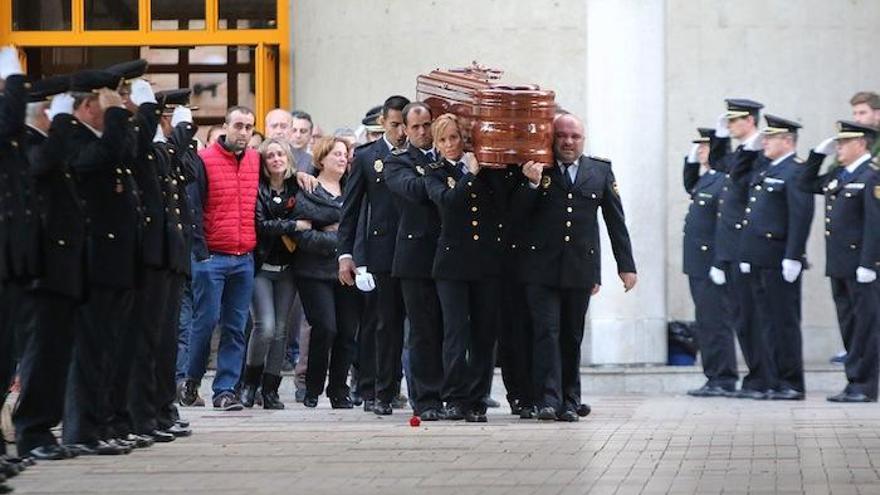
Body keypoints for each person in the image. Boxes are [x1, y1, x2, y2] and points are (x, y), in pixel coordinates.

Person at [515, 113, 637, 422]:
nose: (568, 142)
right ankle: (548, 399)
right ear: (552, 138)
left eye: (575, 137)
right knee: (546, 333)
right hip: (540, 268)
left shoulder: (600, 170)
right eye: (562, 136)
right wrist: (530, 185)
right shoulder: (536, 168)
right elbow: (516, 215)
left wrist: (626, 266)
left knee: (571, 335)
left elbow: (615, 221)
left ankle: (570, 400)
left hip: (579, 269)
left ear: (583, 139)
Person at [423, 113, 507, 423]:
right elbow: (448, 202)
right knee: (456, 333)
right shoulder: (433, 171)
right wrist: (469, 176)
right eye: (443, 140)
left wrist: (482, 168)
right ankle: (454, 398)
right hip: (452, 264)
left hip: (486, 262)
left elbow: (502, 204)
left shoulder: (485, 168)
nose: (449, 145)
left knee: (484, 334)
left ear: (464, 138)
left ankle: (476, 398)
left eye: (454, 138)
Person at [182, 106, 261, 411]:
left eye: (249, 127)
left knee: (236, 326)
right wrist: (200, 254)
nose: (244, 132)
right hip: (211, 257)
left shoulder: (255, 160)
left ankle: (224, 389)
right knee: (206, 322)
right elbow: (193, 208)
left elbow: (285, 174)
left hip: (244, 257)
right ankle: (191, 379)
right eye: (239, 126)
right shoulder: (204, 161)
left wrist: (305, 176)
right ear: (226, 126)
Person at [338, 95, 409, 415]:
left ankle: (398, 387)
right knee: (383, 324)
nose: (401, 132)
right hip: (381, 251)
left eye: (404, 125)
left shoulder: (418, 155)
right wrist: (346, 254)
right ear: (383, 122)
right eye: (394, 125)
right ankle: (379, 391)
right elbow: (351, 211)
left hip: (414, 249)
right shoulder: (368, 157)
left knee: (413, 325)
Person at [799, 121, 880, 402]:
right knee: (848, 324)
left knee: (866, 327)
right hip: (840, 265)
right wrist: (816, 156)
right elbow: (806, 183)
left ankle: (865, 385)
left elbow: (875, 223)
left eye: (844, 143)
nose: (839, 147)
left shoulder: (872, 176)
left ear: (862, 144)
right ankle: (853, 380)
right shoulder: (839, 174)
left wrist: (869, 263)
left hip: (862, 266)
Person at [739, 115, 814, 400]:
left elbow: (801, 215)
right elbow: (739, 177)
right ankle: (774, 379)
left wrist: (794, 255)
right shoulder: (767, 167)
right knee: (766, 322)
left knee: (784, 322)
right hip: (759, 257)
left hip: (779, 258)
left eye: (770, 138)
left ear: (787, 141)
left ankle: (792, 382)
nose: (764, 142)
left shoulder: (796, 171)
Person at [384, 102, 444, 420]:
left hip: (448, 255)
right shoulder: (398, 162)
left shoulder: (446, 157)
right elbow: (415, 189)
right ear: (404, 130)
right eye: (416, 127)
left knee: (450, 329)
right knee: (422, 330)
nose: (422, 132)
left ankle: (450, 393)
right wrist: (447, 172)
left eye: (427, 125)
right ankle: (426, 398)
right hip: (415, 258)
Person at [240, 138, 311, 409]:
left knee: (281, 331)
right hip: (261, 267)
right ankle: (250, 385)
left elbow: (312, 216)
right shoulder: (257, 189)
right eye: (270, 155)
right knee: (265, 327)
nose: (276, 159)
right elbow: (261, 225)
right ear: (264, 161)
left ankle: (270, 389)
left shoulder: (299, 186)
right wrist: (293, 225)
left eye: (281, 154)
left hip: (288, 269)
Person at [708, 98, 770, 399]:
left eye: (733, 121)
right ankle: (756, 376)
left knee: (754, 318)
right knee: (742, 319)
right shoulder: (739, 154)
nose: (730, 125)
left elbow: (741, 173)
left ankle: (763, 377)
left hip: (747, 248)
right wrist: (718, 137)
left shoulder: (760, 154)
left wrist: (747, 147)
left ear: (750, 120)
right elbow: (721, 164)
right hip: (731, 249)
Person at [293, 137, 360, 408]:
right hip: (314, 271)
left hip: (348, 272)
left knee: (346, 332)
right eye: (336, 154)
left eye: (345, 154)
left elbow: (357, 228)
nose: (343, 159)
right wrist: (338, 237)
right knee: (325, 327)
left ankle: (339, 390)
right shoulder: (308, 188)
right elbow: (303, 236)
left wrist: (331, 229)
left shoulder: (351, 190)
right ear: (321, 159)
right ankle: (312, 387)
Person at [682, 128, 739, 397]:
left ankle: (724, 378)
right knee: (706, 322)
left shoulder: (724, 181)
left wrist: (720, 261)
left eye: (705, 147)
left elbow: (725, 227)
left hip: (711, 263)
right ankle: (713, 375)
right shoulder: (707, 179)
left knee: (717, 323)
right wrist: (690, 160)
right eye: (699, 147)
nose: (702, 151)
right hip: (697, 263)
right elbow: (689, 186)